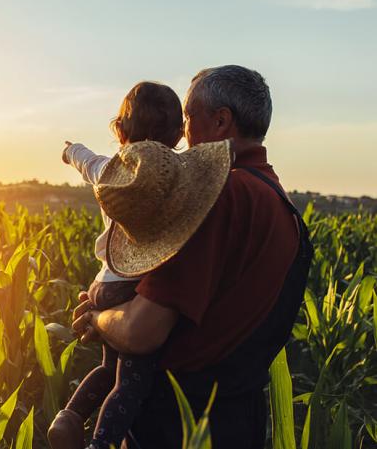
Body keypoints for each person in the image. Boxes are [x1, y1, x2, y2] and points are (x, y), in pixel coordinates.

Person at [72, 65, 312, 448]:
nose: (182, 132)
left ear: (220, 122)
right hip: (238, 420)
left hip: (179, 422)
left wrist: (97, 319)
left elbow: (140, 331)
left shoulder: (216, 200)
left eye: (187, 116)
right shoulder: (283, 207)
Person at [50, 81, 231, 449]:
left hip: (103, 283)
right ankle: (100, 444)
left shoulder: (108, 173)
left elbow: (85, 159)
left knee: (105, 367)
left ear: (120, 129)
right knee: (130, 383)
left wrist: (70, 151)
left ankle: (68, 417)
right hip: (132, 287)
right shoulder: (172, 178)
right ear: (179, 134)